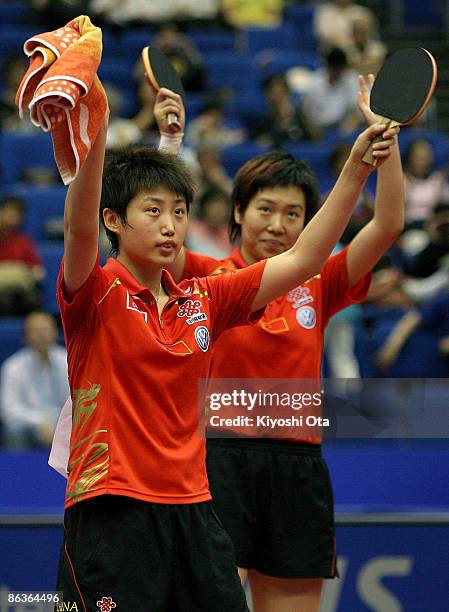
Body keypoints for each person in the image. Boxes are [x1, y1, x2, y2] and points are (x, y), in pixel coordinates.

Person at [48, 47, 397, 609]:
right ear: (115, 220)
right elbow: (77, 228)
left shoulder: (205, 297)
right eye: (153, 212)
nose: (170, 226)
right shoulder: (97, 292)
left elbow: (306, 259)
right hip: (112, 510)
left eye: (179, 212)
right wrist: (97, 129)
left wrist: (357, 167)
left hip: (195, 509)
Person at [166, 74, 404, 611]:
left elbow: (387, 224)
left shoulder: (321, 283)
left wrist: (384, 147)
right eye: (265, 209)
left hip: (298, 467)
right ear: (238, 212)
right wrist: (171, 146)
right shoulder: (207, 276)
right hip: (217, 462)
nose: (276, 224)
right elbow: (161, 244)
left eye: (293, 214)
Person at [0, 311, 69, 448]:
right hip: (29, 425)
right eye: (38, 331)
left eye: (47, 329)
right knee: (15, 429)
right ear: (26, 336)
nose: (43, 334)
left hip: (62, 423)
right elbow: (8, 409)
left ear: (56, 333)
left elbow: (75, 401)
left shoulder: (68, 361)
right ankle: (17, 469)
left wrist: (59, 424)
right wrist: (39, 422)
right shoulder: (13, 366)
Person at [0, 195, 44, 316]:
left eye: (16, 213)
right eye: (8, 211)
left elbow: (38, 273)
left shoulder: (24, 242)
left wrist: (22, 273)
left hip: (20, 293)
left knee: (32, 301)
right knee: (4, 302)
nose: (11, 217)